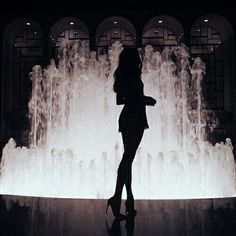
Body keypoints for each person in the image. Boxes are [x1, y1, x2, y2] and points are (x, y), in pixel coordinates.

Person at [106, 48, 156, 219]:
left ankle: (128, 200)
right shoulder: (134, 76)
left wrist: (140, 98)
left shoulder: (121, 75)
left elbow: (121, 100)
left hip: (126, 117)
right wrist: (147, 100)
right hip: (136, 118)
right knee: (127, 159)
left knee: (128, 159)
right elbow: (136, 98)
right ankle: (117, 197)